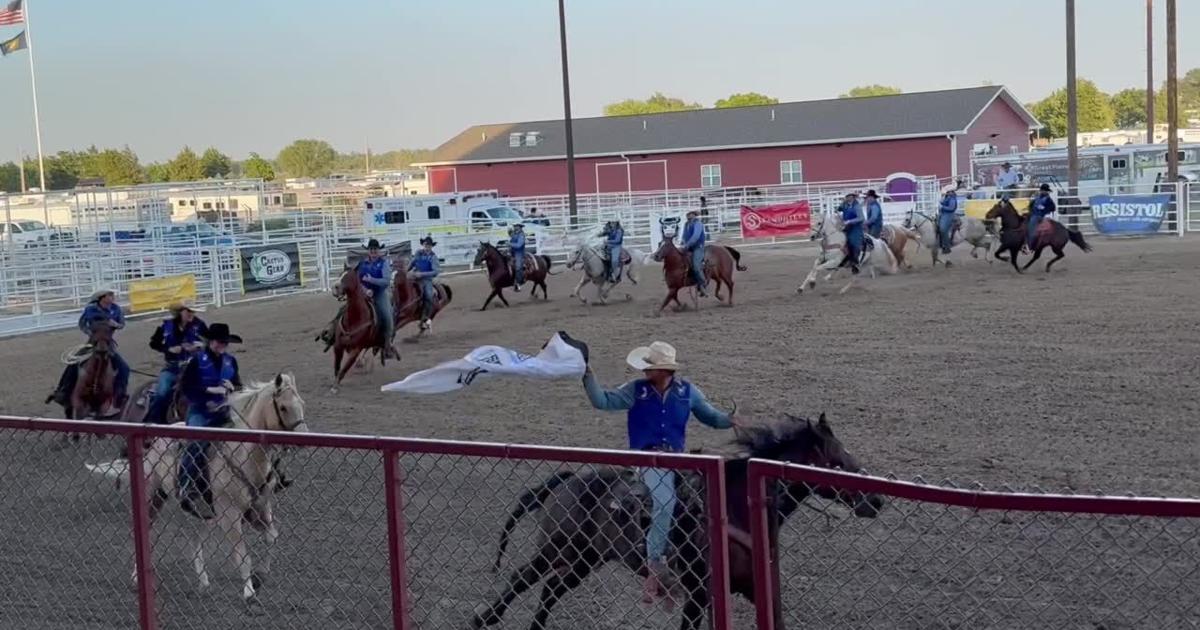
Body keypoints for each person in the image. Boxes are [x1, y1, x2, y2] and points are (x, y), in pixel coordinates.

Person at [582, 341, 738, 604]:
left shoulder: (688, 392)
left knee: (708, 495)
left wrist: (731, 419)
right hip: (647, 459)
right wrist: (588, 376)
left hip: (676, 458)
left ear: (664, 371)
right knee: (665, 502)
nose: (645, 371)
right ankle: (655, 565)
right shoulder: (636, 390)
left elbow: (711, 417)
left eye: (650, 368)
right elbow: (603, 401)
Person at [178, 323, 243, 519]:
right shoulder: (196, 361)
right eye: (218, 342)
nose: (222, 345)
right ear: (210, 341)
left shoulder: (231, 361)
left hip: (224, 412)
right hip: (200, 411)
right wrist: (207, 391)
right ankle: (186, 485)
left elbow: (240, 386)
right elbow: (186, 388)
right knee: (196, 444)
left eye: (224, 342)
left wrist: (233, 387)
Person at [145, 301, 208, 424]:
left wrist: (202, 345)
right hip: (172, 367)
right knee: (162, 393)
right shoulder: (165, 326)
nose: (191, 314)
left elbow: (212, 343)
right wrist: (168, 349)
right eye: (188, 311)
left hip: (194, 368)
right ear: (180, 312)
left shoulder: (200, 325)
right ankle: (153, 423)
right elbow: (154, 343)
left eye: (192, 311)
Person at [76, 289, 130, 416]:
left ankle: (118, 396)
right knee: (74, 363)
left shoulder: (116, 309)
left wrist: (115, 324)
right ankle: (63, 390)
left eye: (112, 295)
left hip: (108, 344)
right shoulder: (91, 309)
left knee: (124, 369)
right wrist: (92, 334)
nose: (113, 297)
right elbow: (82, 324)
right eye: (109, 295)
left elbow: (122, 324)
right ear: (102, 297)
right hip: (93, 343)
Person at [357, 239, 396, 358]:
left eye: (375, 249)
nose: (373, 251)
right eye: (371, 249)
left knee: (387, 317)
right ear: (368, 251)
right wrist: (365, 290)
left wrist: (371, 280)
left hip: (379, 293)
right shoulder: (363, 263)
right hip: (364, 293)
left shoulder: (383, 263)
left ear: (378, 250)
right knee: (346, 310)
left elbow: (386, 281)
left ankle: (387, 345)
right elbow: (358, 280)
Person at [407, 236, 441, 330]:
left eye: (429, 245)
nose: (427, 247)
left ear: (431, 246)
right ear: (423, 245)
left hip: (426, 280)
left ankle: (426, 315)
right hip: (414, 276)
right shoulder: (418, 253)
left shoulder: (433, 257)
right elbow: (412, 262)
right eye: (426, 245)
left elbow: (436, 271)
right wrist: (406, 271)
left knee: (429, 296)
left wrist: (422, 274)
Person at [681, 210, 708, 296]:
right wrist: (682, 242)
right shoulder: (686, 224)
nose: (688, 215)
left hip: (697, 246)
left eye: (690, 214)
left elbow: (695, 236)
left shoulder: (698, 224)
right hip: (689, 247)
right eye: (687, 214)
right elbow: (684, 235)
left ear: (694, 215)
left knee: (696, 265)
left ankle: (703, 283)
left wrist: (687, 245)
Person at [839, 192, 865, 274]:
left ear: (852, 197)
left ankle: (855, 263)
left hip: (855, 228)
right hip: (847, 227)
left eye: (848, 196)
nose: (847, 197)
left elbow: (861, 218)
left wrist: (850, 221)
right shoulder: (845, 205)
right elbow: (838, 209)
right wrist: (842, 202)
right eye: (846, 196)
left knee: (854, 243)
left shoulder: (857, 206)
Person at [1026, 183, 1057, 251]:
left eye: (1044, 190)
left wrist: (1044, 209)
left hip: (1039, 216)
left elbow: (1053, 208)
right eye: (1043, 190)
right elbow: (1031, 205)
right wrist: (1029, 210)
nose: (1043, 191)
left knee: (1032, 226)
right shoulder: (1037, 198)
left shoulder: (1048, 199)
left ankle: (1030, 246)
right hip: (1033, 214)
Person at [938, 185, 959, 254]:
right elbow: (941, 201)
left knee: (943, 229)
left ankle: (947, 247)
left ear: (951, 192)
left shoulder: (952, 199)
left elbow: (951, 208)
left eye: (947, 192)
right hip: (943, 213)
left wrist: (942, 207)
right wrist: (942, 196)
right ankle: (940, 243)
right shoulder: (948, 197)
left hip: (948, 214)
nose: (946, 193)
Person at [509, 224, 527, 292]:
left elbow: (519, 245)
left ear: (520, 227)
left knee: (518, 267)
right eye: (514, 226)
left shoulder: (521, 235)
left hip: (519, 252)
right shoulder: (515, 234)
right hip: (512, 251)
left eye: (516, 226)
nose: (515, 227)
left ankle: (518, 283)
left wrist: (510, 244)